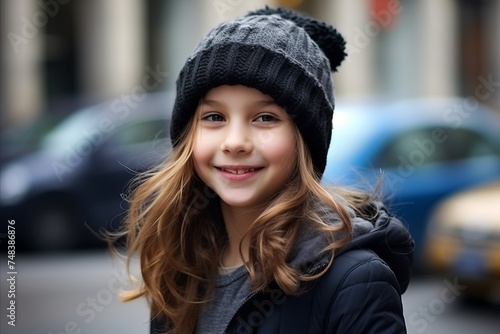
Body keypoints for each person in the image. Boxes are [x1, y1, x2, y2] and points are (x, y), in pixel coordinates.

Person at [117, 6, 414, 334]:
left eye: (265, 118)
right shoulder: (181, 262)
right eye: (214, 117)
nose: (235, 142)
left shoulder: (355, 281)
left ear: (304, 140)